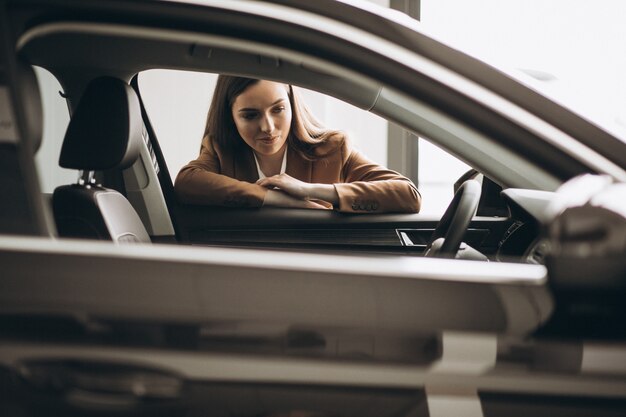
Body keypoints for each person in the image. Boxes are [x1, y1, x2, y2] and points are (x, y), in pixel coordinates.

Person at [175, 76, 421, 213]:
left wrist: (310, 190)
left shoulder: (332, 149)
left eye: (278, 109)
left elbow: (407, 194)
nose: (268, 128)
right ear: (230, 117)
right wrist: (276, 199)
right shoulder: (220, 150)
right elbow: (187, 183)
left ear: (292, 105)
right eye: (250, 115)